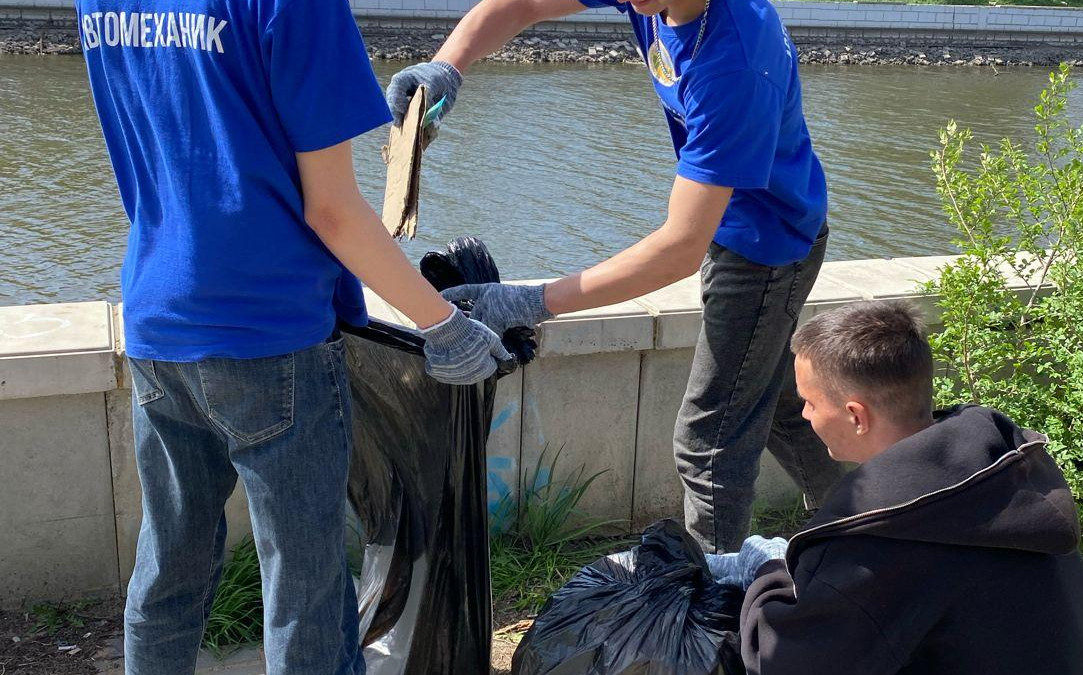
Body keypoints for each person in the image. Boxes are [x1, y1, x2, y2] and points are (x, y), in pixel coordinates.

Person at [75, 1, 510, 673]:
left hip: (159, 318)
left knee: (168, 568)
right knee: (305, 594)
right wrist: (444, 324)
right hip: (271, 334)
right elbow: (332, 210)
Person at [388, 0, 842, 554]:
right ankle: (871, 519)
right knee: (770, 402)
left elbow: (680, 247)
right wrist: (446, 67)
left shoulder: (736, 63)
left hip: (768, 250)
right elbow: (523, 3)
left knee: (709, 441)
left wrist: (531, 301)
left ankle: (712, 598)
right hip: (736, 225)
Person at [708, 300, 1083, 674]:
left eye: (810, 402)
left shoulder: (875, 541)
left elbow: (781, 661)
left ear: (856, 416)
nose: (804, 414)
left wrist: (767, 570)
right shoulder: (1002, 475)